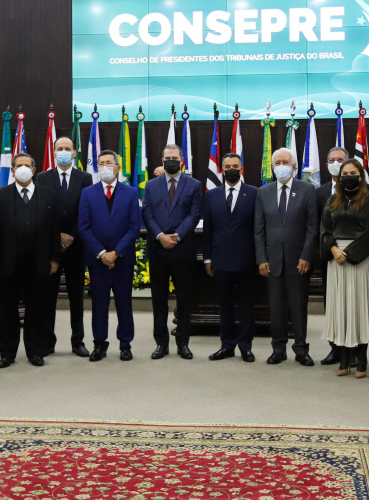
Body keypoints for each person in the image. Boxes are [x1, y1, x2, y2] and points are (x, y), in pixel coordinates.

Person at [0, 153, 61, 367]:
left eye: (26, 165)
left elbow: (55, 229)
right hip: (9, 262)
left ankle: (35, 351)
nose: (22, 169)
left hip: (39, 262)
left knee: (37, 308)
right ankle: (7, 353)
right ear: (13, 171)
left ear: (33, 170)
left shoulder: (49, 195)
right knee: (8, 309)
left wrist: (54, 258)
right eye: (18, 165)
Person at [254, 148, 318, 366]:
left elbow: (312, 227)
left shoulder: (307, 190)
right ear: (272, 167)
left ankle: (301, 349)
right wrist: (262, 259)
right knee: (276, 308)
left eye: (286, 162)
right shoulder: (263, 192)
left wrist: (306, 256)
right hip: (272, 261)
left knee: (298, 307)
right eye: (278, 163)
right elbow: (258, 230)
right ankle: (278, 349)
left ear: (294, 167)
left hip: (298, 261)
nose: (281, 166)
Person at [320, 158, 369, 378]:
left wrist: (349, 253)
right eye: (344, 173)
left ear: (361, 176)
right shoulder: (332, 200)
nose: (348, 177)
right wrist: (333, 249)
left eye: (353, 173)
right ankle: (344, 358)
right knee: (341, 309)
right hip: (336, 260)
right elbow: (325, 229)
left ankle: (362, 357)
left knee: (358, 308)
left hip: (360, 259)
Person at [78, 150, 141, 361]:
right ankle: (99, 344)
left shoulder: (130, 193)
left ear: (117, 167)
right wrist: (102, 253)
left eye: (109, 162)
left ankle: (125, 344)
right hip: (98, 260)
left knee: (124, 303)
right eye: (101, 163)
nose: (104, 166)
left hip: (122, 259)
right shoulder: (87, 193)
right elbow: (84, 227)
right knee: (99, 304)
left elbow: (134, 227)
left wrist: (116, 253)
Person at [142, 144, 203, 360]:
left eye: (175, 158)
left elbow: (195, 214)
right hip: (158, 249)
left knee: (184, 300)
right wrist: (160, 236)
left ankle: (183, 343)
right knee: (159, 300)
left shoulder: (194, 184)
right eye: (167, 158)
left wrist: (177, 236)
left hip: (182, 249)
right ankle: (161, 343)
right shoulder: (151, 185)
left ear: (181, 161)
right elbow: (147, 213)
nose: (171, 161)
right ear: (162, 160)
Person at [34, 136, 94, 357]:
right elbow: (40, 210)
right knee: (48, 297)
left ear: (74, 153)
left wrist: (72, 236)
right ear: (54, 151)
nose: (64, 151)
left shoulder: (85, 177)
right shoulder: (42, 177)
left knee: (76, 298)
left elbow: (87, 211)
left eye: (68, 148)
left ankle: (78, 341)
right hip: (51, 247)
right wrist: (57, 235)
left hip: (76, 247)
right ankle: (47, 341)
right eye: (60, 148)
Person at [203, 153, 258, 362]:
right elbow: (208, 229)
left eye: (235, 166)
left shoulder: (254, 193)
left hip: (246, 259)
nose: (231, 169)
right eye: (227, 167)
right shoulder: (212, 195)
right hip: (220, 259)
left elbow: (258, 228)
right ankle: (227, 345)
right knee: (224, 305)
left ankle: (245, 346)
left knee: (246, 305)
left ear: (241, 168)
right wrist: (207, 259)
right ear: (222, 170)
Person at [316, 147, 349, 366]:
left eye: (340, 160)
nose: (335, 163)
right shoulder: (319, 193)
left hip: (353, 255)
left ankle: (353, 349)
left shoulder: (363, 191)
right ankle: (335, 348)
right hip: (328, 256)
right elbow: (317, 226)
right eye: (331, 160)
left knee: (351, 303)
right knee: (332, 304)